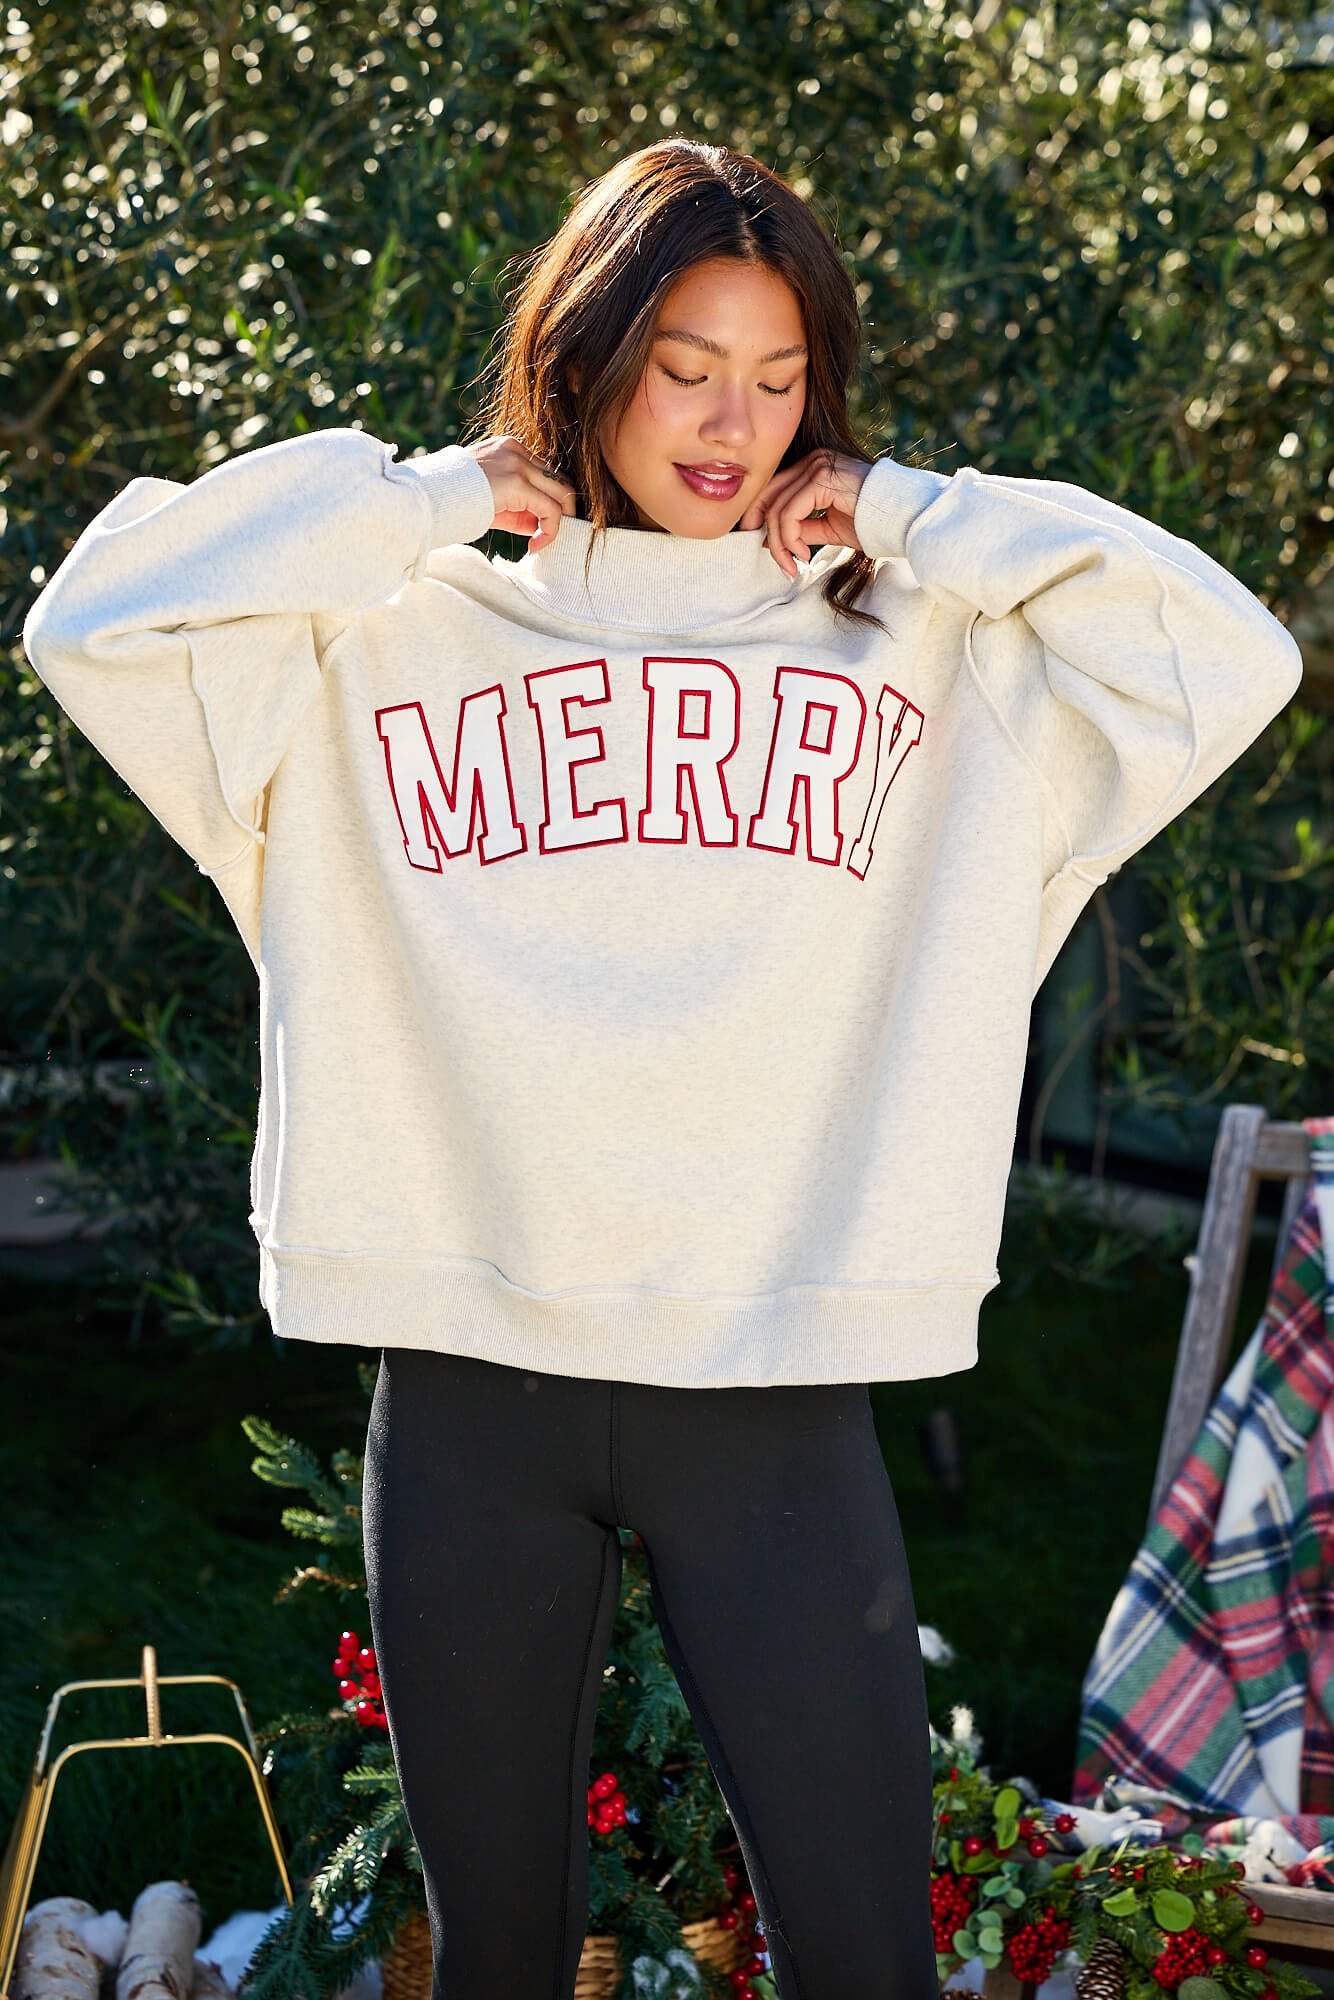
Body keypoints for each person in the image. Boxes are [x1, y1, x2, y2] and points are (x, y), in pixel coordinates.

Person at [22, 139, 1304, 2000]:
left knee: (864, 1953)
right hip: (471, 1385)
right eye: (687, 364)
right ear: (591, 349)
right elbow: (98, 615)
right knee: (498, 1959)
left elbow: (1220, 652)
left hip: (770, 1383)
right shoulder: (385, 634)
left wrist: (912, 508)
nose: (733, 421)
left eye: (779, 379)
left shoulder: (931, 655)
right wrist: (424, 498)